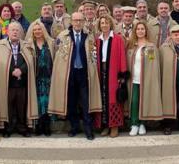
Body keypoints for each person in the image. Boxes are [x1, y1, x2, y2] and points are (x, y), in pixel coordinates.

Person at [48, 12, 101, 141]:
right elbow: (58, 55)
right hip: (69, 74)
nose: (77, 23)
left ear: (83, 22)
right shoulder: (64, 35)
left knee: (85, 102)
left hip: (84, 74)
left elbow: (93, 55)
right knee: (71, 103)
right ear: (71, 21)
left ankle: (88, 129)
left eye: (80, 20)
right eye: (75, 20)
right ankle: (74, 127)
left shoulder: (89, 36)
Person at [0, 22, 37, 138]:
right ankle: (8, 128)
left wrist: (21, 70)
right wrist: (12, 71)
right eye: (13, 30)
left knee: (22, 106)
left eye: (17, 30)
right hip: (8, 82)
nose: (15, 32)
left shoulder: (26, 45)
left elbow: (30, 61)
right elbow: (0, 61)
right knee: (8, 106)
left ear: (21, 33)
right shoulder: (1, 45)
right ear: (7, 32)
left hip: (22, 82)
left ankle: (22, 127)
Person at [125, 22, 163, 136]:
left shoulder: (151, 46)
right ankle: (134, 124)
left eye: (142, 29)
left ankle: (142, 124)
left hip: (146, 80)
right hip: (133, 79)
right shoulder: (131, 45)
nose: (140, 31)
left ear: (146, 31)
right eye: (138, 29)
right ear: (135, 31)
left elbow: (154, 65)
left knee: (144, 101)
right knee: (134, 101)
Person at [94, 16, 127, 138]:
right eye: (102, 23)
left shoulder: (117, 39)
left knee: (113, 98)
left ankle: (114, 126)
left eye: (106, 22)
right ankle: (105, 126)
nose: (104, 25)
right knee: (102, 98)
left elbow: (122, 56)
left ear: (110, 24)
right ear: (99, 25)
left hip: (113, 71)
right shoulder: (98, 40)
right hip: (101, 70)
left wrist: (122, 74)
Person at [26, 20, 55, 136]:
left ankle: (47, 125)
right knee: (37, 103)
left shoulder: (51, 43)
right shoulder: (28, 44)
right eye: (35, 30)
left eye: (39, 29)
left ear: (43, 30)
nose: (37, 31)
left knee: (47, 103)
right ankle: (38, 126)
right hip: (36, 79)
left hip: (48, 78)